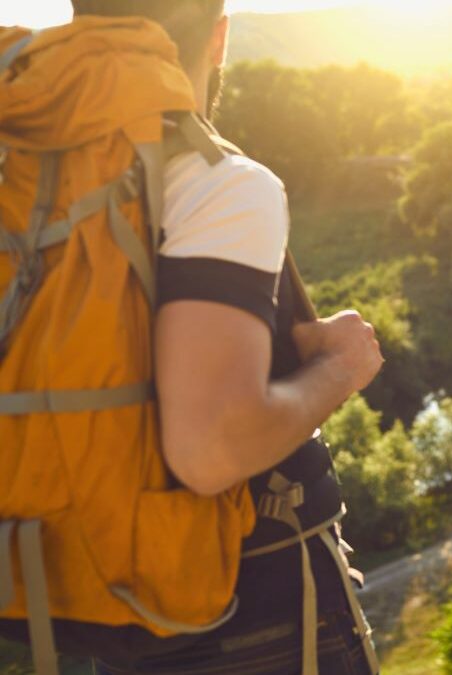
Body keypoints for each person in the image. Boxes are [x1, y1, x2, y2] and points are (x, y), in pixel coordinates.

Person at [64, 2, 383, 672]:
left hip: (95, 601)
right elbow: (209, 449)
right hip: (250, 611)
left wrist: (281, 352)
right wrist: (340, 368)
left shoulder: (38, 181)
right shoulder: (218, 184)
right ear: (219, 35)